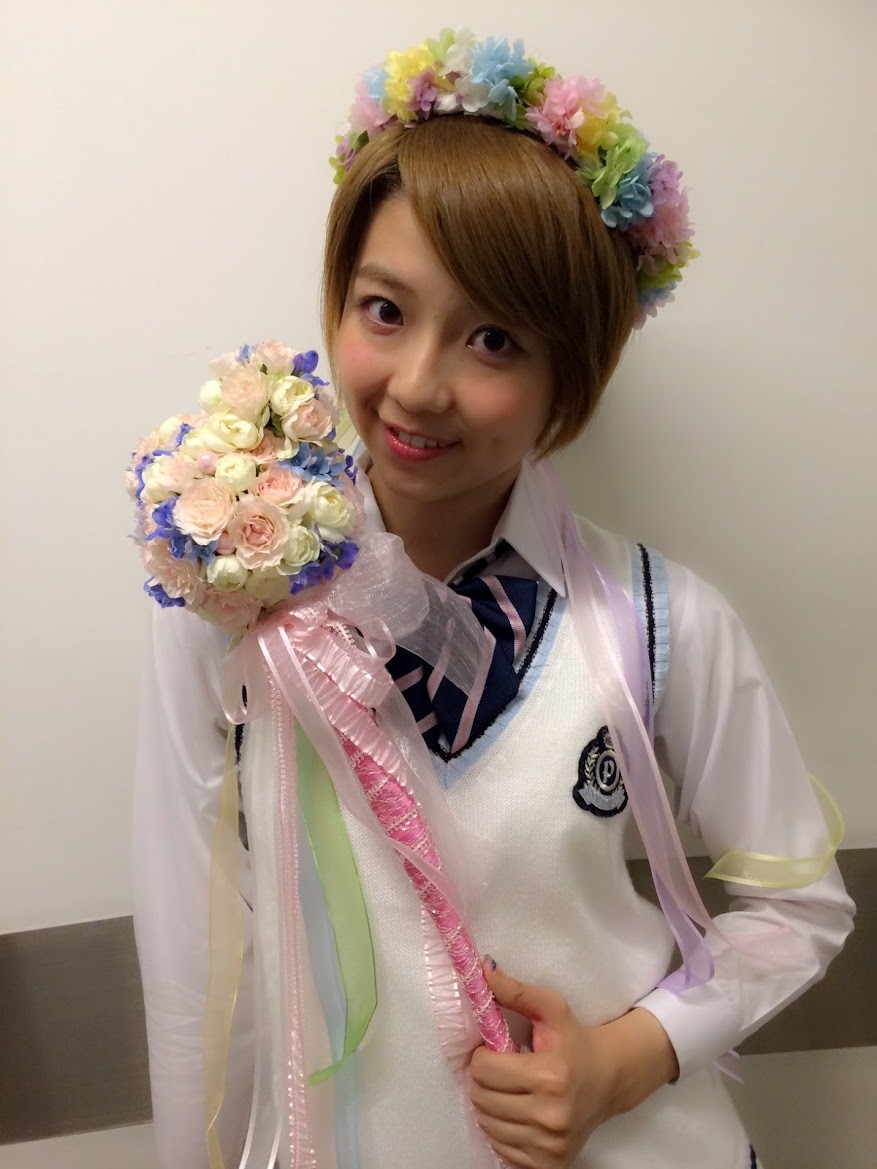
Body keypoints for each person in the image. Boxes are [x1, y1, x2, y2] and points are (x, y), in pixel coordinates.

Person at [133, 30, 855, 1169]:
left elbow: (800, 905)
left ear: (571, 372)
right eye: (383, 310)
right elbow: (191, 926)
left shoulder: (663, 619)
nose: (418, 385)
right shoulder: (230, 598)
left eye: (493, 338)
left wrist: (628, 1057)